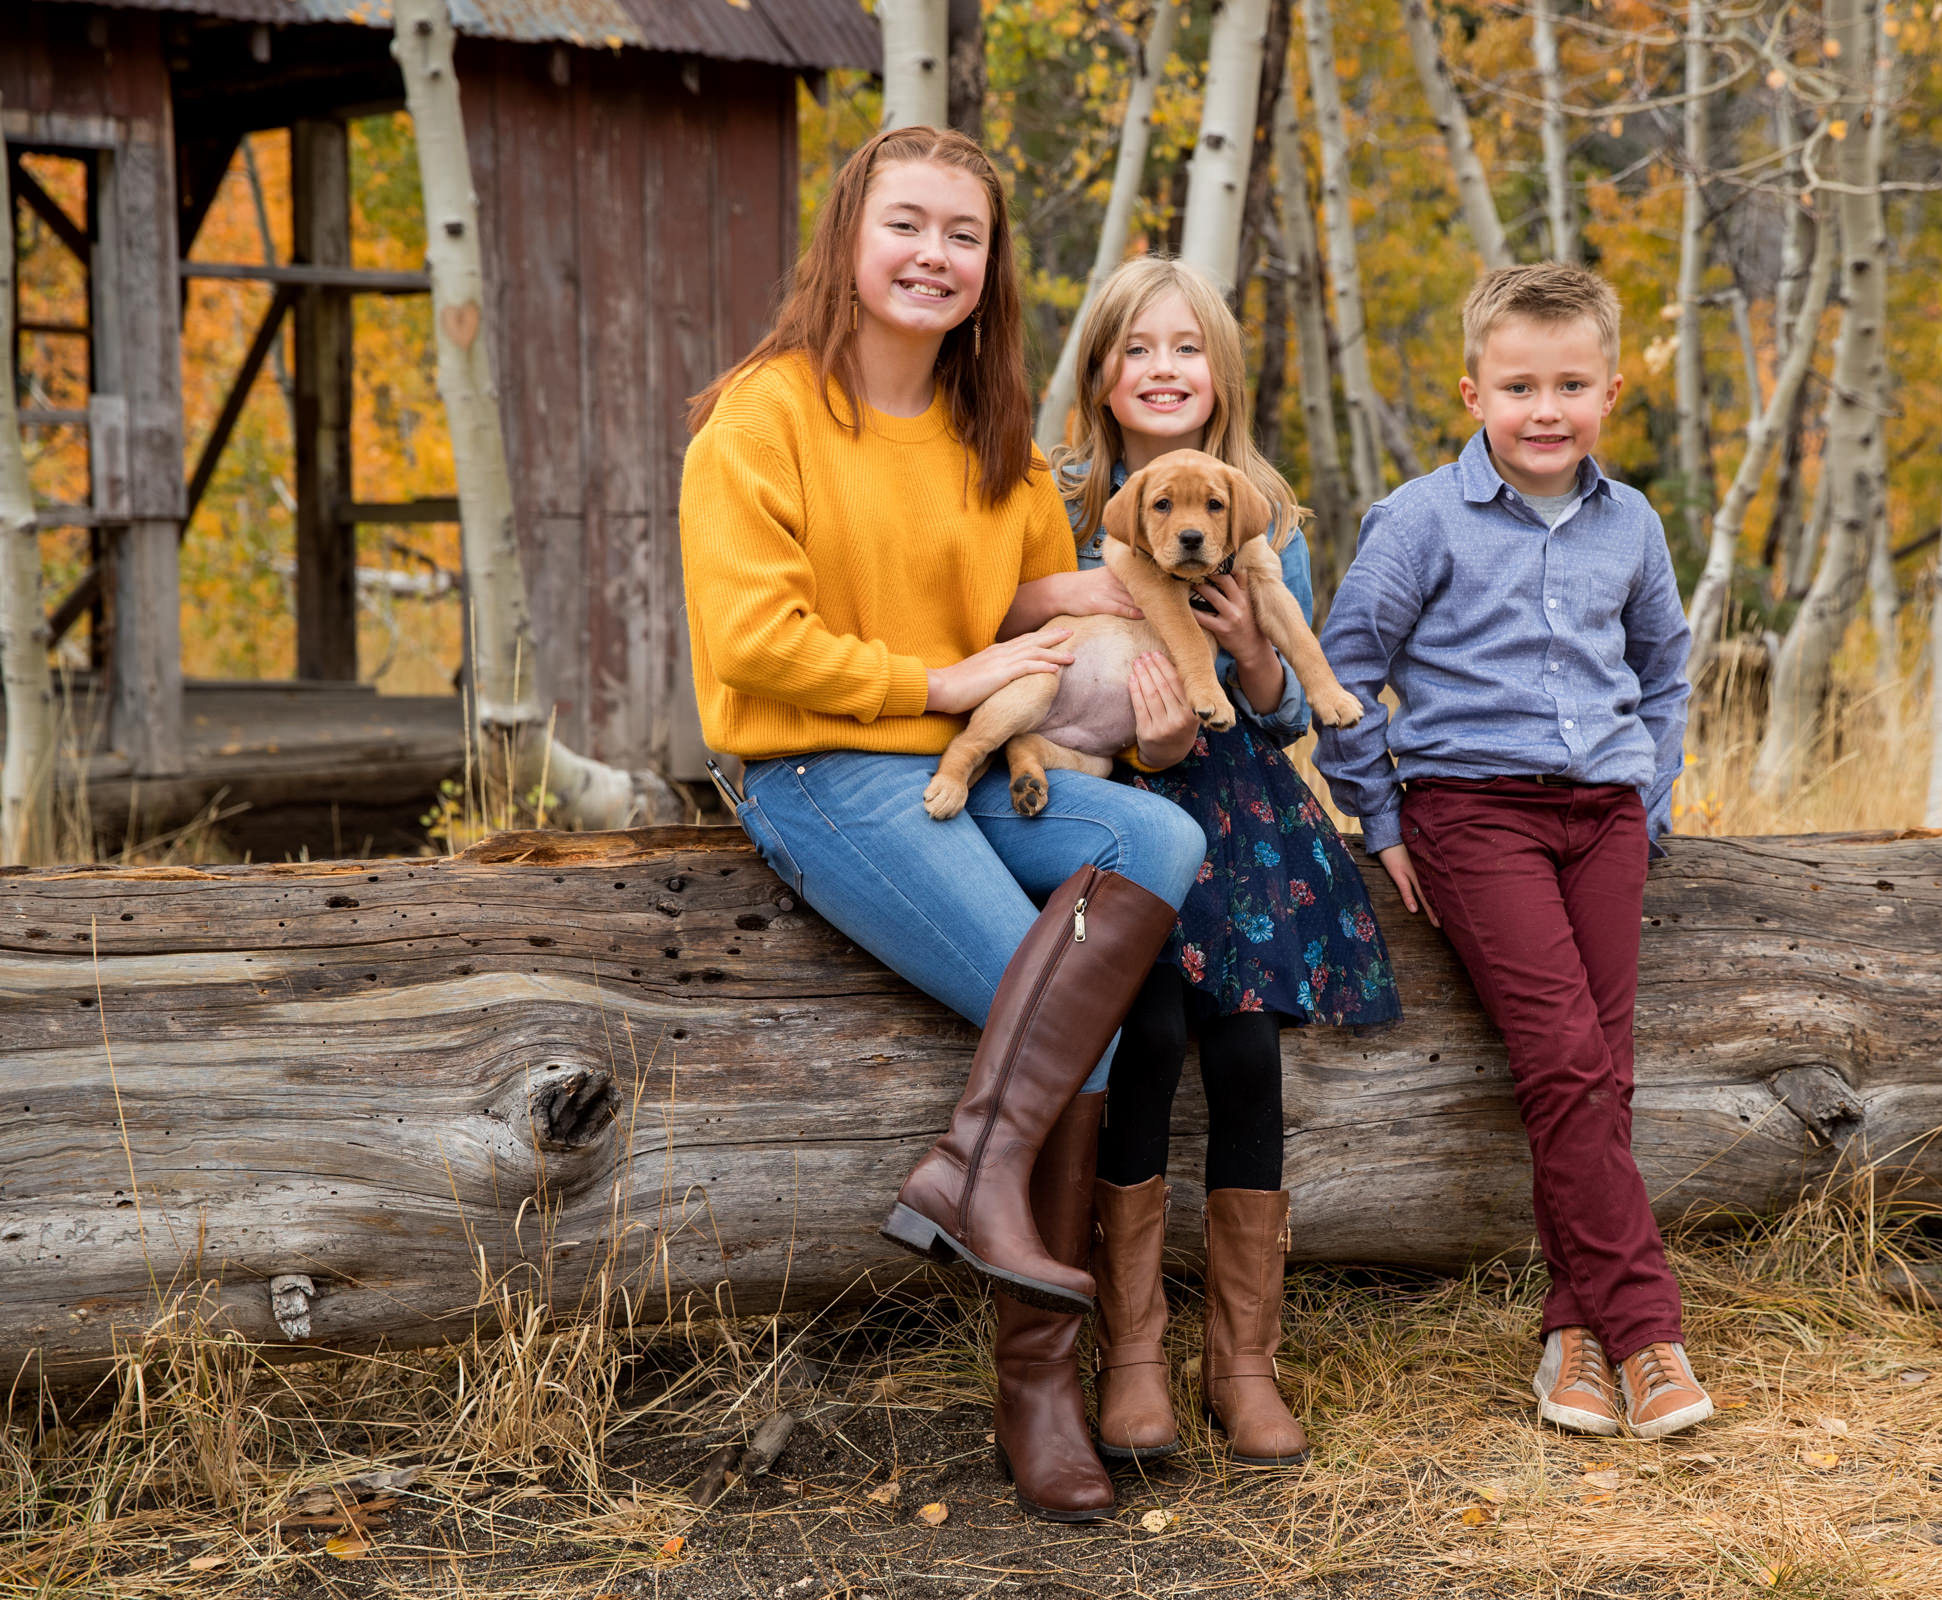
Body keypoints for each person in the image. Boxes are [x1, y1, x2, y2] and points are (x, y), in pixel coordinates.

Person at [676, 127, 1207, 1523]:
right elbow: (752, 644)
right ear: (849, 237)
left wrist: (1111, 612)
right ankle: (1041, 1387)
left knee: (1158, 845)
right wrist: (936, 680)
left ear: (990, 267)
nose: (933, 257)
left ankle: (971, 1170)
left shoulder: (997, 437)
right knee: (1065, 1004)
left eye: (962, 236)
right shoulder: (765, 414)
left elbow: (1035, 600)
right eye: (906, 225)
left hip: (982, 762)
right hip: (819, 772)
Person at [1312, 261, 1712, 1442]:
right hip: (1474, 817)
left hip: (1603, 819)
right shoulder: (1420, 519)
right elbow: (1342, 679)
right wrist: (1379, 819)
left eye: (1572, 384)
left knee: (1606, 1069)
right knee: (1564, 1061)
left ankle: (1569, 1340)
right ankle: (1646, 1331)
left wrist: (1650, 798)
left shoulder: (1629, 521)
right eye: (1520, 385)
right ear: (1472, 392)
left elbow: (1664, 670)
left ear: (1611, 390)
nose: (1547, 409)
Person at [1052, 256, 1400, 1470]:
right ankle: (1133, 1350)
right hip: (1102, 800)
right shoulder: (1060, 499)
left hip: (1238, 815)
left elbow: (1285, 712)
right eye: (1137, 349)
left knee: (1245, 1047)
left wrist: (1254, 654)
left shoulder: (1265, 509)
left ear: (1221, 375)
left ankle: (1242, 1360)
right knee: (1143, 1034)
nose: (1162, 371)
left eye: (1186, 350)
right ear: (1100, 370)